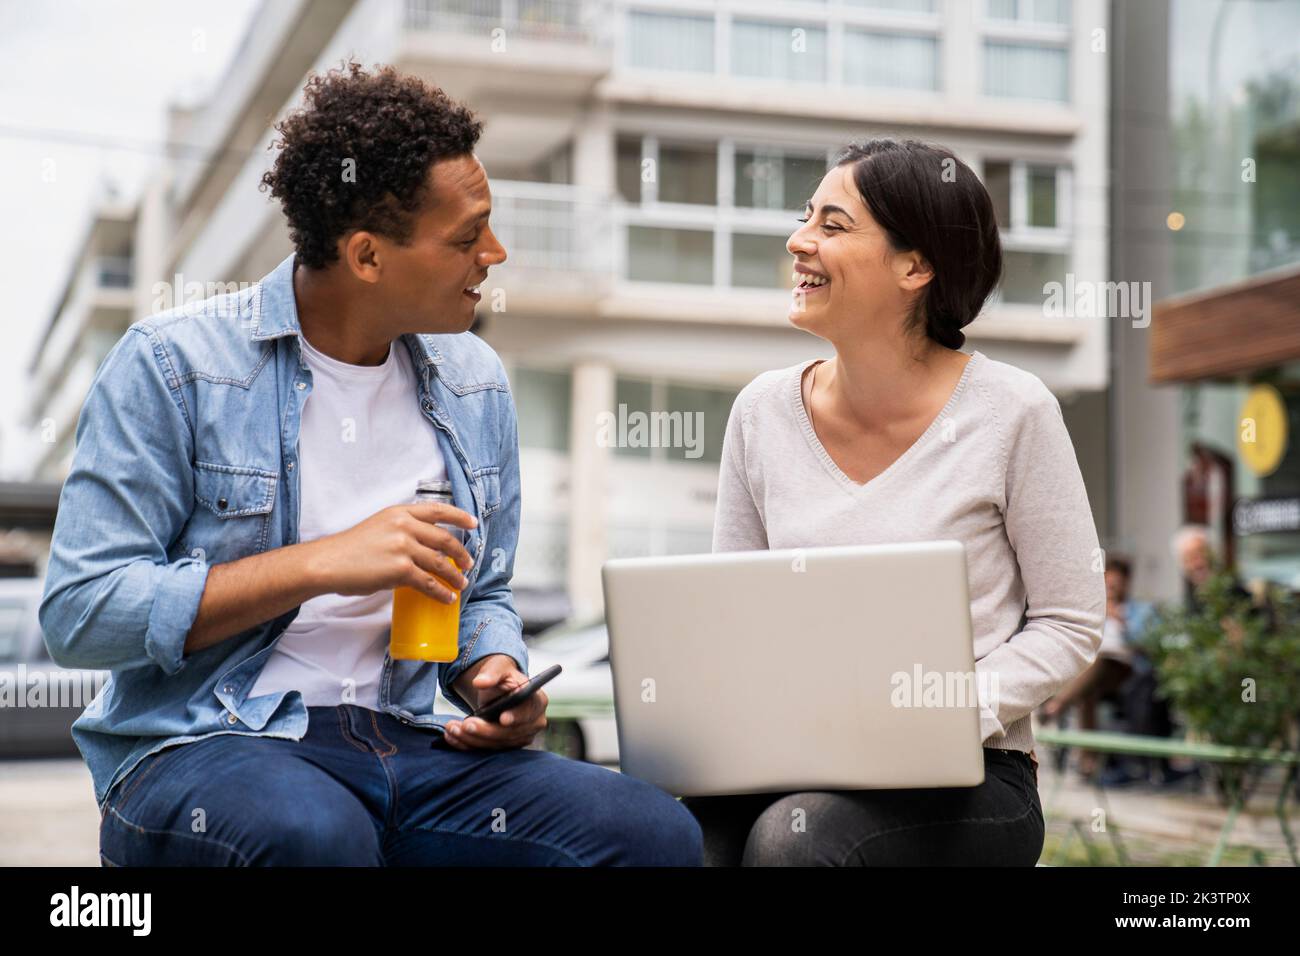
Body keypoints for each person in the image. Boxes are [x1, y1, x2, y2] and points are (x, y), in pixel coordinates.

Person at [40, 62, 701, 867]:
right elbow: (81, 611)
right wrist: (322, 563)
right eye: (466, 237)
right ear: (366, 256)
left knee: (651, 833)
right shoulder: (172, 367)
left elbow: (482, 590)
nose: (494, 253)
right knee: (315, 836)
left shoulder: (474, 382)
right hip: (209, 741)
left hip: (410, 740)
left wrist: (492, 668)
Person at [681, 138, 1105, 866]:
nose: (798, 240)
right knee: (676, 834)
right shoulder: (761, 413)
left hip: (972, 773)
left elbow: (1070, 621)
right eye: (805, 216)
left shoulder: (1013, 411)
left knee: (794, 840)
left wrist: (949, 709)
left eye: (833, 226)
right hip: (797, 755)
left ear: (917, 266)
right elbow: (739, 619)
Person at [1040, 556, 1150, 780]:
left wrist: (1122, 622)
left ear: (1126, 584)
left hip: (1124, 670)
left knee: (1100, 661)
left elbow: (1145, 645)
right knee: (1087, 692)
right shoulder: (1094, 610)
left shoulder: (1138, 611)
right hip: (1092, 672)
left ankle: (1054, 706)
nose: (1112, 589)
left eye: (1116, 585)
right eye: (1108, 585)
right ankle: (1088, 761)